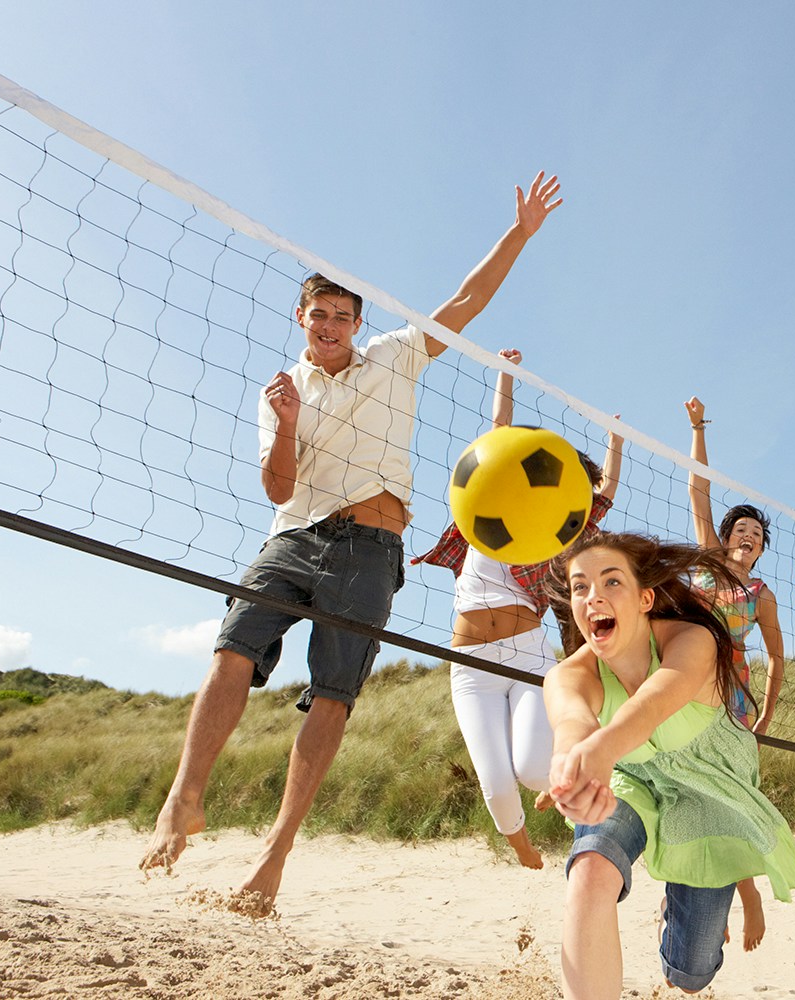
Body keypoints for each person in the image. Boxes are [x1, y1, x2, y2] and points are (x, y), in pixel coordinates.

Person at [138, 173, 564, 906]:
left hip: (370, 547)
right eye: (319, 314)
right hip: (294, 534)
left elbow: (464, 302)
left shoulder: (396, 358)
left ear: (357, 323)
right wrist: (292, 424)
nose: (330, 325)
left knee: (332, 696)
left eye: (342, 314)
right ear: (301, 317)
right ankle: (183, 797)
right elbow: (276, 488)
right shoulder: (282, 392)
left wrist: (519, 235)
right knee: (230, 653)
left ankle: (273, 857)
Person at [542, 532, 795, 1000]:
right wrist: (570, 765)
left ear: (645, 598)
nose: (593, 596)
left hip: (709, 790)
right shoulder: (568, 675)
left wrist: (598, 752)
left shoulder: (693, 640)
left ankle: (676, 924)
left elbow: (650, 706)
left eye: (611, 581)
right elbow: (571, 722)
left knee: (689, 974)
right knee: (590, 873)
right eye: (580, 587)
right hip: (634, 776)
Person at [410, 347, 622, 869]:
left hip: (529, 656)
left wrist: (617, 441)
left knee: (532, 769)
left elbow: (603, 494)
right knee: (497, 782)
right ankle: (521, 846)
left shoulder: (554, 539)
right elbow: (496, 434)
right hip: (473, 663)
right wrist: (505, 374)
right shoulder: (483, 512)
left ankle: (577, 814)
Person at [683, 394, 786, 951]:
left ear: (762, 548)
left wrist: (766, 713)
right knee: (684, 794)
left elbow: (778, 656)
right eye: (741, 527)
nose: (748, 534)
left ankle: (743, 892)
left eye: (757, 533)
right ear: (726, 538)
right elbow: (699, 486)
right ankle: (698, 900)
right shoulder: (705, 562)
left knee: (730, 798)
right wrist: (699, 426)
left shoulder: (762, 594)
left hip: (735, 700)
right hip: (685, 689)